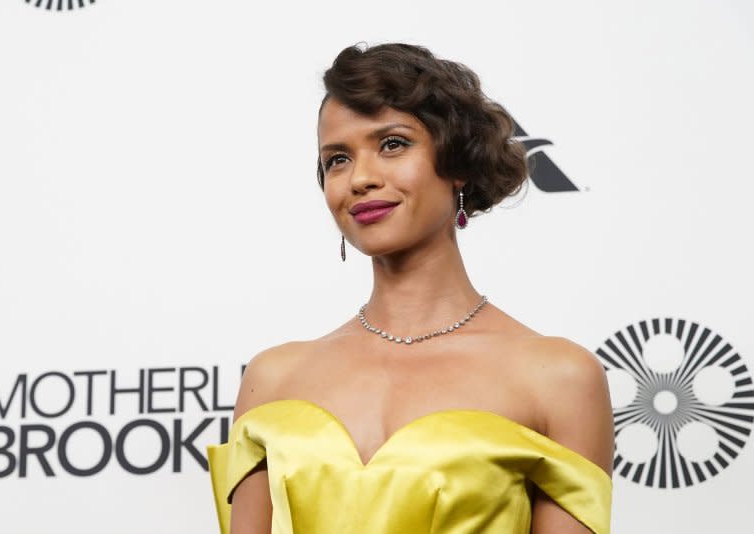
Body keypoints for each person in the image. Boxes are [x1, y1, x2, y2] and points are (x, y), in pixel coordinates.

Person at [207, 42, 614, 534]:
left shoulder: (559, 378)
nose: (359, 178)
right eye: (337, 159)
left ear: (457, 161)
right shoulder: (271, 380)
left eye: (393, 144)